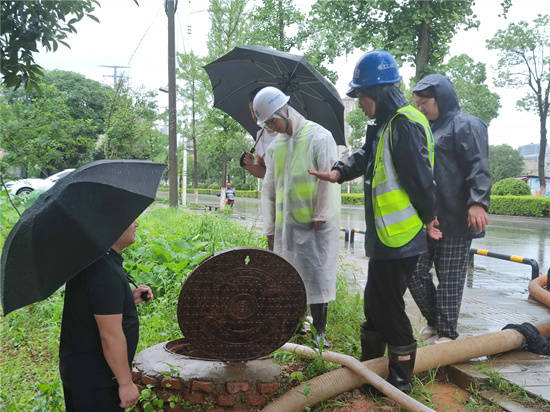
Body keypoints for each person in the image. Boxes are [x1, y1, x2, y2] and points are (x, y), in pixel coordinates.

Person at [309, 50, 439, 392]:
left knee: (387, 306)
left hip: (402, 236)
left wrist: (431, 218)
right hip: (387, 237)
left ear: (378, 93)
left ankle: (399, 381)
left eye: (361, 96)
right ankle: (371, 371)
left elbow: (420, 180)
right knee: (374, 303)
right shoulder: (383, 126)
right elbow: (366, 157)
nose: (359, 103)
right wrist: (339, 171)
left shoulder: (404, 124)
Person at [407, 74, 491, 344]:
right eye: (417, 104)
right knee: (413, 271)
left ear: (441, 98)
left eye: (424, 103)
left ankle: (446, 334)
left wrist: (477, 201)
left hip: (456, 218)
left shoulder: (466, 125)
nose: (421, 109)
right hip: (427, 218)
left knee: (450, 278)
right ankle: (436, 322)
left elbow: (478, 165)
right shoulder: (425, 129)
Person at [255, 86, 340, 348]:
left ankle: (320, 332)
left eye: (272, 121)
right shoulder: (276, 147)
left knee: (317, 275)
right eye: (266, 124)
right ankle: (295, 325)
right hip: (287, 227)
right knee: (290, 277)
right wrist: (269, 226)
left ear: (284, 111)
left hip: (315, 227)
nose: (271, 127)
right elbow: (268, 189)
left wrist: (321, 214)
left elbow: (328, 179)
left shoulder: (319, 137)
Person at [59, 220, 153, 411]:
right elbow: (110, 335)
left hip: (83, 374)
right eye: (130, 219)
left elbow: (94, 305)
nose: (136, 224)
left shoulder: (96, 260)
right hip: (96, 383)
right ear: (114, 226)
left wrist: (126, 299)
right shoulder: (104, 271)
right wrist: (126, 384)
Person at [241, 87, 279, 179]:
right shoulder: (260, 135)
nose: (254, 115)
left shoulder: (290, 131)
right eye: (252, 110)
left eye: (257, 109)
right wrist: (251, 167)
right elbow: (264, 171)